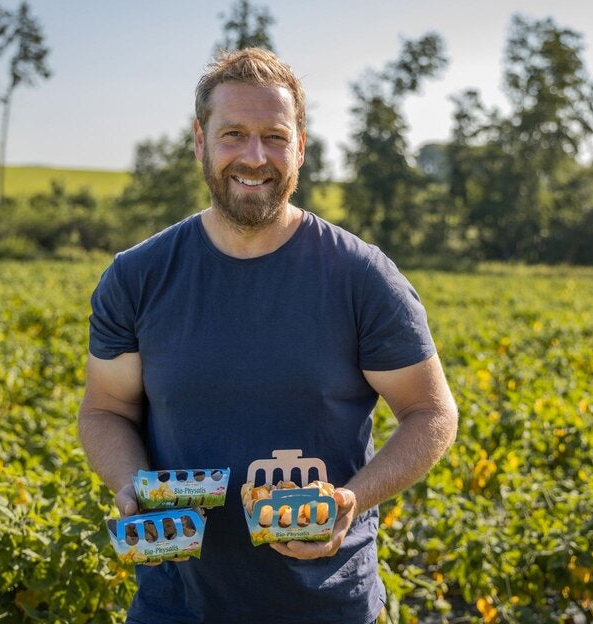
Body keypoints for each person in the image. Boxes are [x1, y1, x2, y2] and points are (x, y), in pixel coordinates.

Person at [78, 47, 458, 624]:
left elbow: (431, 413)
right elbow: (105, 410)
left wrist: (351, 501)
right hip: (177, 604)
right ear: (198, 140)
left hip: (324, 603)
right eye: (233, 133)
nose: (255, 157)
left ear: (300, 148)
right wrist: (131, 486)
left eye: (275, 137)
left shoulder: (360, 277)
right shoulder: (138, 277)